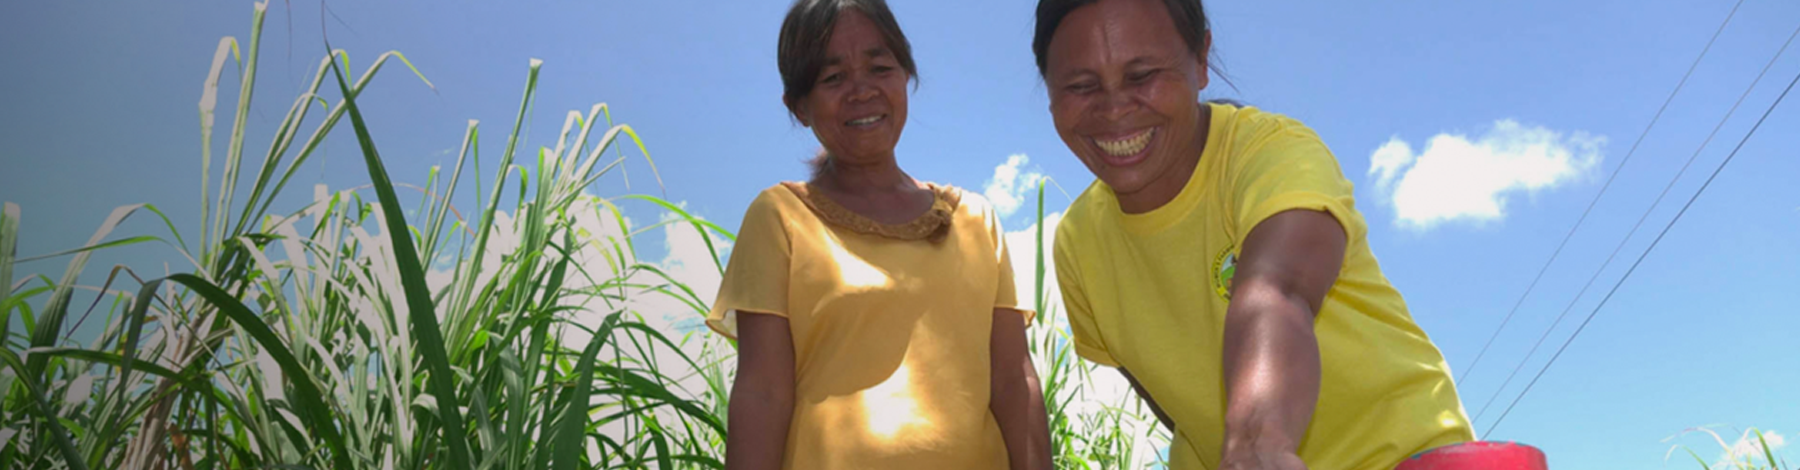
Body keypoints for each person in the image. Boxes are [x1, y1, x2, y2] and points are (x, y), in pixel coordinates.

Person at [1032, 0, 1476, 468]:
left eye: (1142, 76)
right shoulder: (1078, 244)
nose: (1115, 107)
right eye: (1081, 86)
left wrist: (1257, 445)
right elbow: (1168, 401)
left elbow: (1278, 290)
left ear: (1201, 59)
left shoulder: (1272, 154)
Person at [706, 1, 1052, 469]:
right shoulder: (780, 219)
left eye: (880, 67)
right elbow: (762, 394)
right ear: (799, 106)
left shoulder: (975, 219)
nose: (861, 91)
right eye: (832, 79)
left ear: (906, 76)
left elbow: (1014, 380)